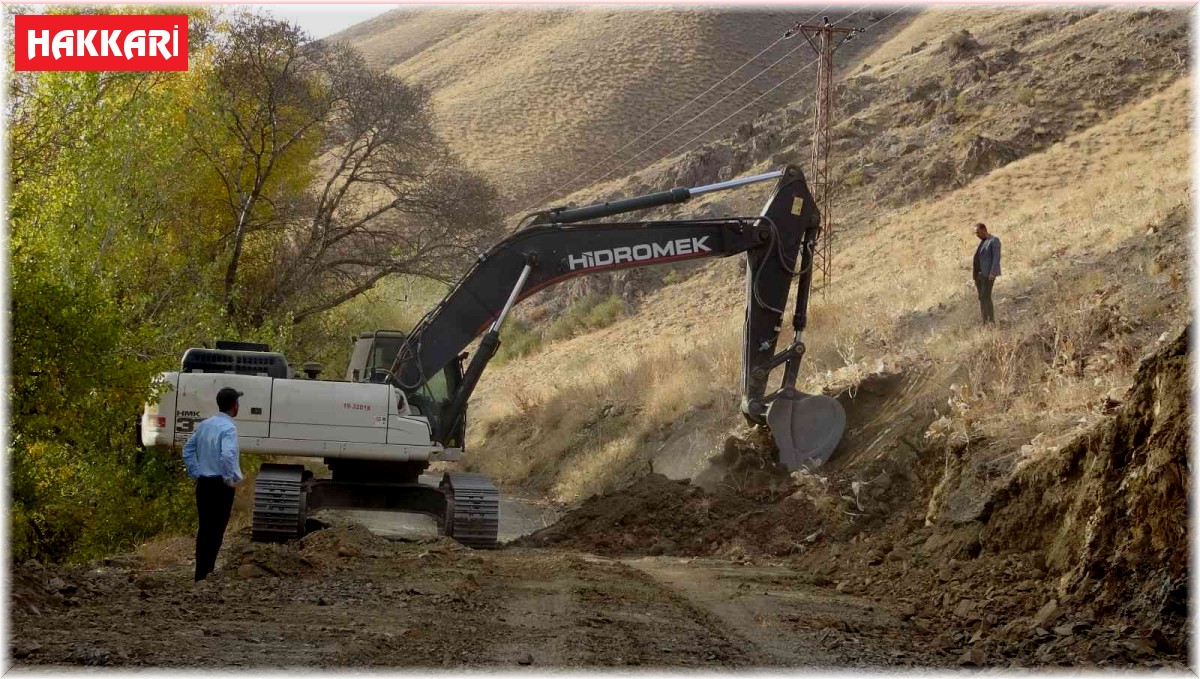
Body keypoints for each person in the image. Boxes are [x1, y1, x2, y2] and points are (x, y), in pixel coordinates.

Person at [182, 387, 245, 581]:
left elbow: (187, 450)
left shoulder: (205, 424)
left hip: (204, 483)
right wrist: (228, 479)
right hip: (220, 485)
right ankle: (208, 573)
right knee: (217, 530)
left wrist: (196, 472)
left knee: (205, 528)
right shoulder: (229, 428)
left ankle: (200, 574)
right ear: (234, 406)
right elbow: (227, 455)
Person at [971, 222, 1001, 325]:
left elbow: (996, 258)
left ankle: (991, 321)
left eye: (978, 232)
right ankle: (985, 321)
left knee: (986, 297)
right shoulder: (982, 242)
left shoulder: (993, 240)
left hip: (988, 275)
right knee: (982, 298)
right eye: (976, 233)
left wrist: (992, 273)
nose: (977, 235)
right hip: (979, 275)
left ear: (984, 230)